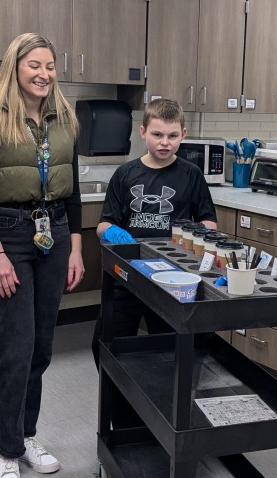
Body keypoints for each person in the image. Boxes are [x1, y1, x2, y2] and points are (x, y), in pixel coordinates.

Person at [0, 33, 85, 478]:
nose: (44, 73)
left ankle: (27, 435)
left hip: (53, 235)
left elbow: (71, 190)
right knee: (14, 349)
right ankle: (6, 451)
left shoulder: (64, 118)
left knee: (40, 347)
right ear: (15, 67)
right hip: (9, 236)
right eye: (34, 64)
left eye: (51, 65)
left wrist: (75, 246)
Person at [92, 98, 217, 372]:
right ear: (143, 132)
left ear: (183, 134)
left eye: (173, 136)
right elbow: (103, 224)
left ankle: (158, 405)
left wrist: (198, 238)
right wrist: (114, 232)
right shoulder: (126, 173)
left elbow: (208, 221)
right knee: (106, 343)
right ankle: (120, 407)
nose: (165, 142)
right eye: (157, 134)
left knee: (168, 348)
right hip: (129, 272)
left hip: (174, 276)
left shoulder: (191, 174)